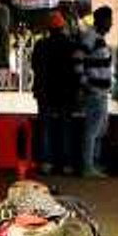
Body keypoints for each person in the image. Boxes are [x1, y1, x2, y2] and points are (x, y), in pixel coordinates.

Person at [32, 10, 79, 175]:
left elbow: (35, 67)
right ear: (63, 27)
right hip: (65, 92)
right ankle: (66, 164)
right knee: (66, 127)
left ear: (48, 28)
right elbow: (75, 70)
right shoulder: (71, 45)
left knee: (45, 126)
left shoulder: (41, 45)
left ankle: (46, 163)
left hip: (44, 91)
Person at [74, 6, 113, 178]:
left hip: (101, 92)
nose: (111, 24)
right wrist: (85, 82)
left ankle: (94, 164)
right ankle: (88, 166)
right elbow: (77, 58)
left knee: (100, 129)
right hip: (95, 92)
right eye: (109, 20)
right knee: (92, 130)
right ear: (102, 21)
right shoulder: (91, 38)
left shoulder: (98, 39)